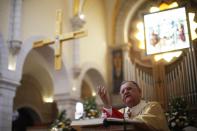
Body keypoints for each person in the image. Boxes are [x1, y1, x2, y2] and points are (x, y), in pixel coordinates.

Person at [98, 81, 170, 131]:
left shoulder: (153, 106)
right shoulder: (121, 112)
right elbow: (107, 123)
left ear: (140, 92)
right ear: (122, 98)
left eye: (129, 89)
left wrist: (124, 118)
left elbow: (143, 122)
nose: (126, 92)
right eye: (122, 91)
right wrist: (106, 103)